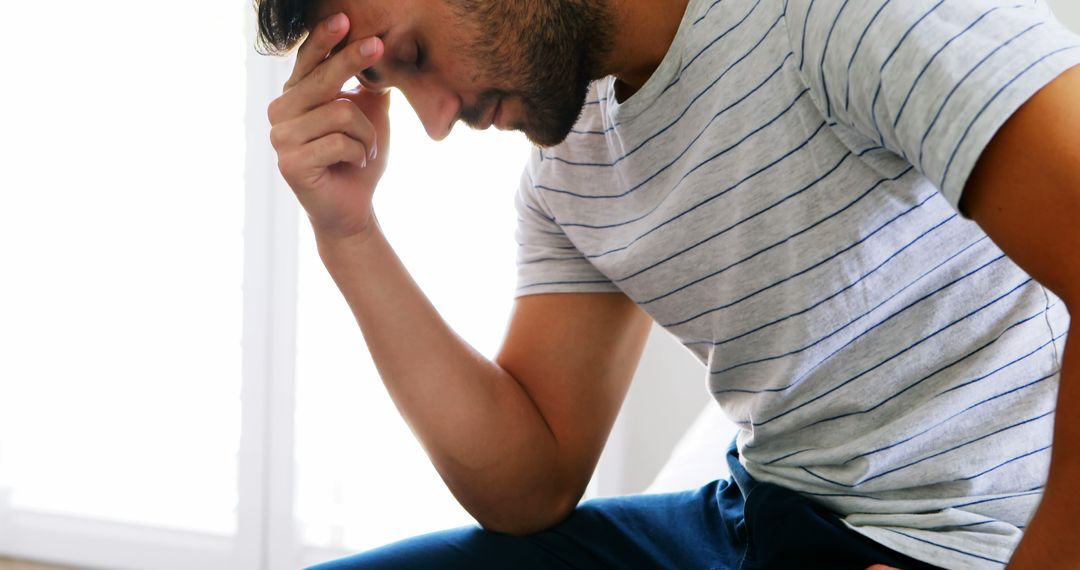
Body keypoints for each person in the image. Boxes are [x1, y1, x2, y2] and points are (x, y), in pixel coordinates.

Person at [256, 0, 1080, 567]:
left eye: (416, 57)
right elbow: (530, 482)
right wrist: (349, 232)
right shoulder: (568, 162)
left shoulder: (835, 16)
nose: (437, 124)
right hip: (765, 523)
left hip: (974, 534)